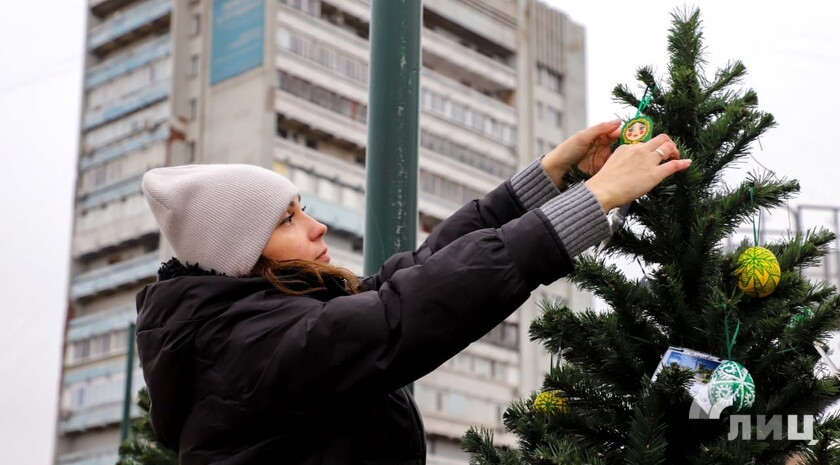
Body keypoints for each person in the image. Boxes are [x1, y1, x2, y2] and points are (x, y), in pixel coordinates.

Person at [135, 119, 690, 465]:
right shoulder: (248, 345)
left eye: (303, 207)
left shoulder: (260, 326)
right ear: (242, 257)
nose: (316, 226)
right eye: (286, 220)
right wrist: (595, 198)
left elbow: (414, 274)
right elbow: (407, 311)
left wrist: (544, 180)